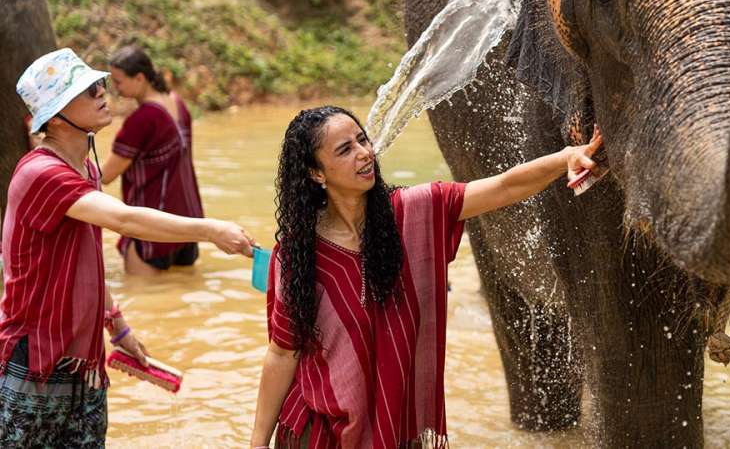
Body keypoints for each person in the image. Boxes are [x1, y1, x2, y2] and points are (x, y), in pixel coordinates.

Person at [250, 106, 602, 448]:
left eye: (362, 140)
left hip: (398, 428)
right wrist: (258, 445)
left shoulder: (414, 212)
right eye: (345, 149)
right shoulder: (298, 255)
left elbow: (504, 188)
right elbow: (282, 354)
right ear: (316, 173)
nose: (364, 153)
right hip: (319, 432)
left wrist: (564, 157)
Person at [0, 48, 255, 447]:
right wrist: (210, 230)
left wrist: (118, 328)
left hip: (83, 361)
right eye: (88, 90)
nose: (102, 93)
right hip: (37, 359)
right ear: (57, 114)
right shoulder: (41, 173)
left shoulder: (86, 168)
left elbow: (85, 265)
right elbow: (125, 219)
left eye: (100, 84)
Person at [101, 45, 204, 275]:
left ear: (139, 78)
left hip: (153, 229)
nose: (114, 89)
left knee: (142, 300)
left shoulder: (142, 119)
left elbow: (105, 176)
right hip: (188, 224)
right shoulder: (178, 102)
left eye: (118, 82)